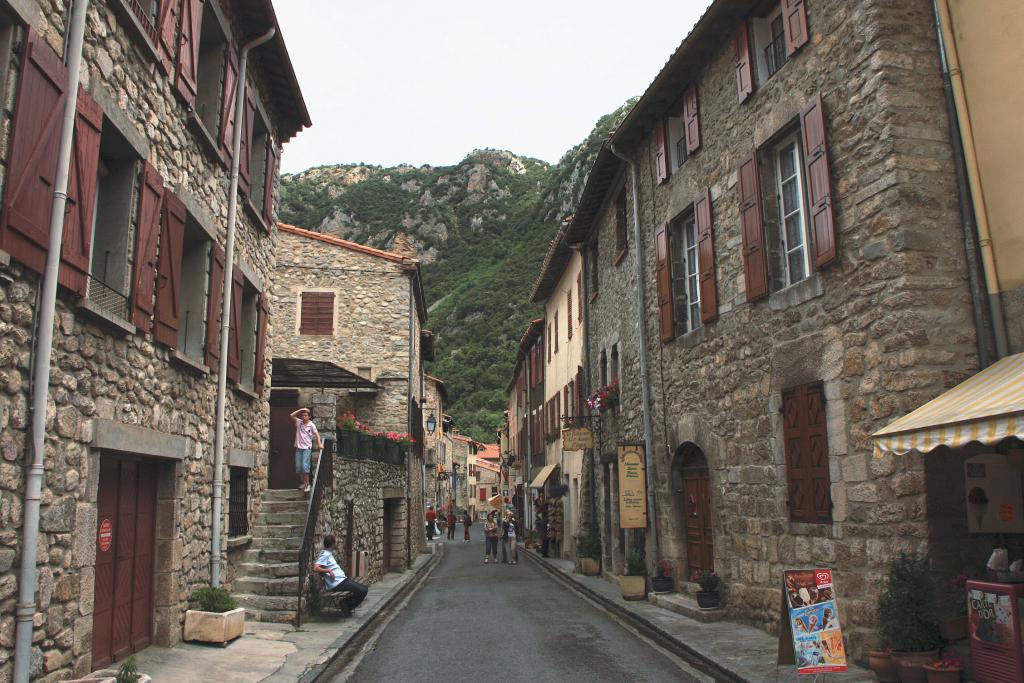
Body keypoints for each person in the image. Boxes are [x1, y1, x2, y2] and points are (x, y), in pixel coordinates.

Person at [313, 534, 367, 612]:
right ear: (332, 544)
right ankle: (346, 605)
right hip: (338, 583)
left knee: (364, 589)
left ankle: (346, 605)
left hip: (342, 580)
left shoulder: (328, 553)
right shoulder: (325, 555)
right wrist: (328, 571)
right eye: (335, 542)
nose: (336, 544)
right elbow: (316, 567)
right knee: (363, 591)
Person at [289, 408, 322, 493]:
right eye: (303, 415)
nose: (304, 417)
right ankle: (304, 483)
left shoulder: (311, 425)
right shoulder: (299, 422)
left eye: (306, 415)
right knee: (299, 467)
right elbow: (291, 415)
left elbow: (317, 435)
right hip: (299, 448)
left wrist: (319, 444)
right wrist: (301, 409)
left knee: (304, 466)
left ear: (309, 416)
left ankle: (307, 484)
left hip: (306, 448)